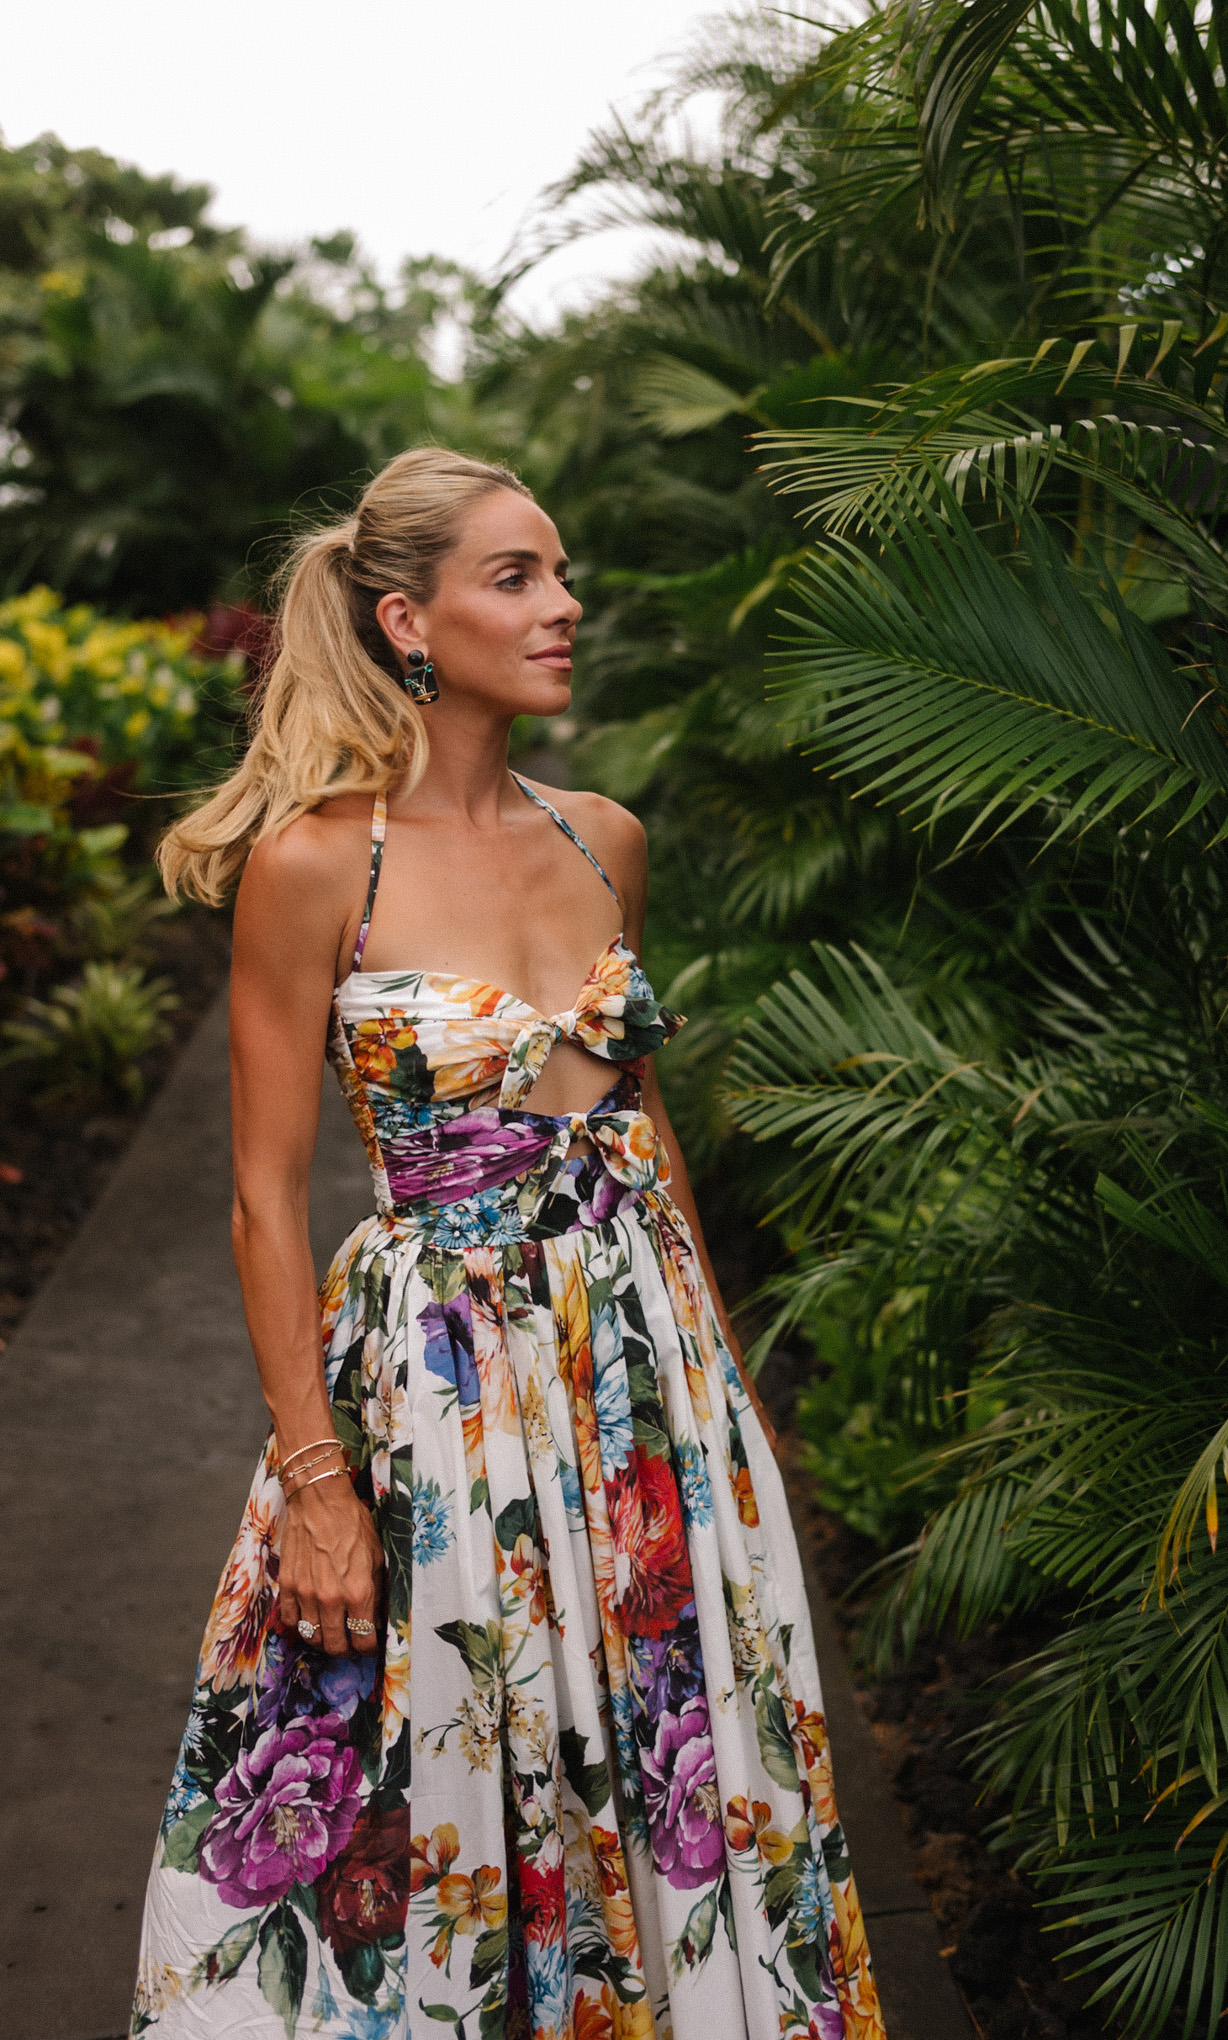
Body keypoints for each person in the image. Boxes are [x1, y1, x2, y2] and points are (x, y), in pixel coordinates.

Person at [130, 447, 883, 2040]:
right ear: (410, 621)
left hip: (644, 1374)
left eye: (559, 573)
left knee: (670, 1741)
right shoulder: (322, 861)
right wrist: (317, 1488)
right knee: (460, 1760)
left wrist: (726, 1407)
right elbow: (267, 1192)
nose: (567, 607)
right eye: (518, 577)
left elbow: (642, 1121)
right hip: (442, 1383)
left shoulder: (607, 836)